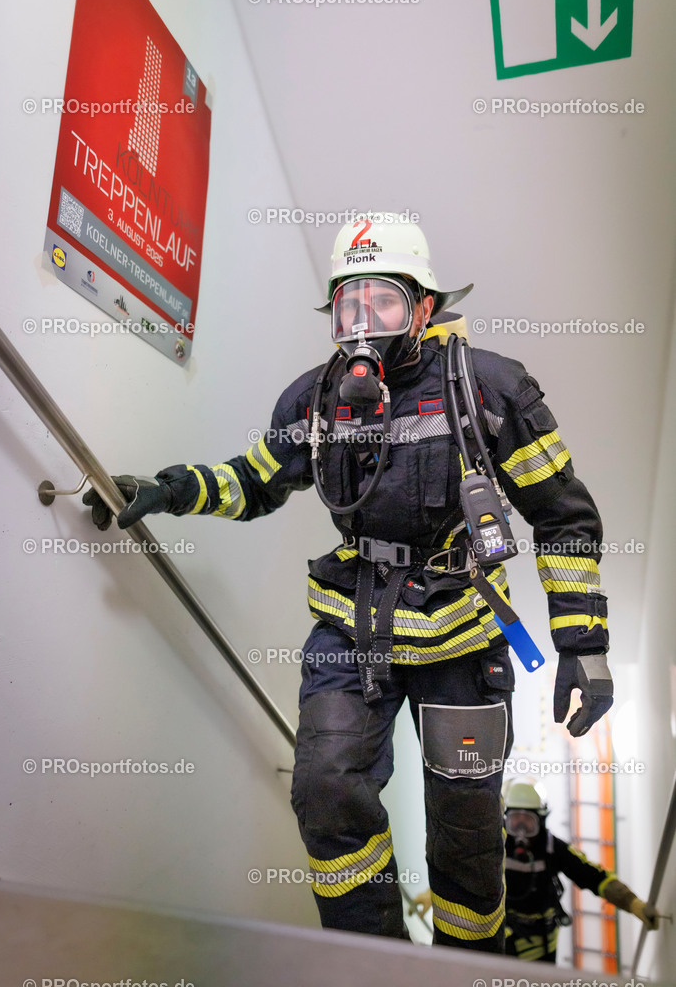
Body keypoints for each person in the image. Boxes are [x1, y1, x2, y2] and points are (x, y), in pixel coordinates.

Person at [84, 214, 614, 952]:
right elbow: (254, 481)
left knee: (465, 833)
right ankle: (371, 959)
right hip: (353, 629)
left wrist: (583, 645)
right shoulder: (314, 400)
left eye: (384, 301)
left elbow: (563, 517)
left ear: (423, 308)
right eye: (349, 304)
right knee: (326, 792)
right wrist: (168, 490)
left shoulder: (489, 389)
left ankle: (464, 967)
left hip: (462, 637)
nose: (364, 323)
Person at [412, 779, 659, 962]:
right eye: (514, 821)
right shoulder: (495, 847)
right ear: (504, 819)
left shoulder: (553, 848)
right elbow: (463, 875)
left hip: (541, 944)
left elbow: (594, 876)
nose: (520, 830)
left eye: (528, 822)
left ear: (541, 820)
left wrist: (633, 903)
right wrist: (430, 895)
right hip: (505, 936)